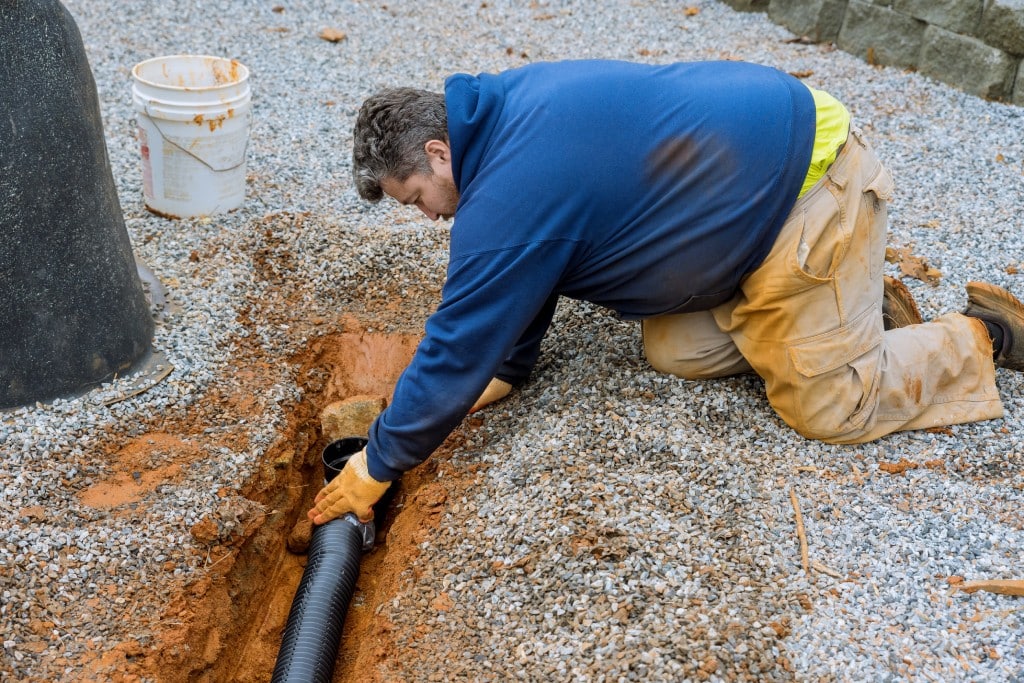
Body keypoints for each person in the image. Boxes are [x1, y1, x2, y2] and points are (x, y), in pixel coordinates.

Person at [308, 59, 1024, 525]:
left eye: (416, 197)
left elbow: (459, 333)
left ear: (437, 153)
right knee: (673, 347)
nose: (428, 215)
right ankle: (852, 313)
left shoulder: (503, 199)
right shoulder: (503, 116)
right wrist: (507, 366)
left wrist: (377, 464)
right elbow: (532, 266)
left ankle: (981, 334)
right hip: (752, 204)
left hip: (810, 188)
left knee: (831, 406)